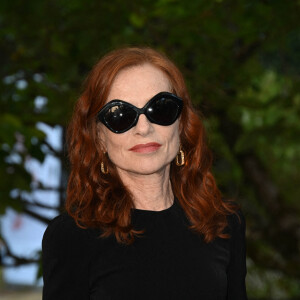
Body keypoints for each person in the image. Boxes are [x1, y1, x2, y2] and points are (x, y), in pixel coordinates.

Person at [42, 47, 247, 300]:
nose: (143, 128)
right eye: (120, 115)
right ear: (99, 137)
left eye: (160, 108)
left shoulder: (224, 225)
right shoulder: (72, 238)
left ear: (182, 124)